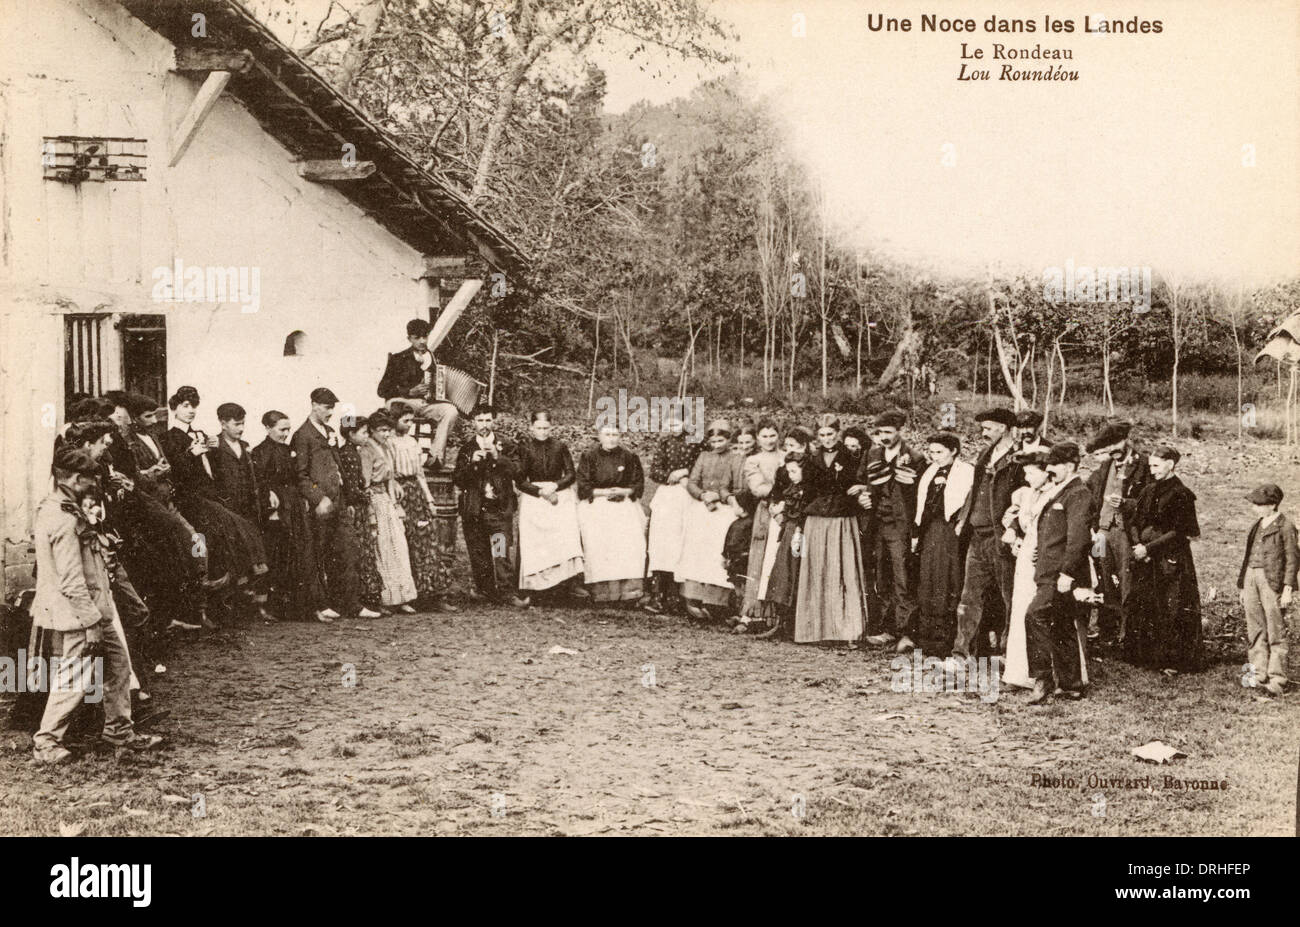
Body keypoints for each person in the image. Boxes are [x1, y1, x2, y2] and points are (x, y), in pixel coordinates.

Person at [29, 446, 162, 764]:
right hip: (80, 614)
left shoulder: (63, 507)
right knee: (74, 676)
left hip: (96, 608)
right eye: (90, 479)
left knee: (118, 667)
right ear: (75, 479)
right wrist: (91, 624)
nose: (95, 486)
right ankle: (46, 742)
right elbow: (72, 581)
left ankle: (119, 731)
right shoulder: (62, 518)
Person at [1024, 442, 1095, 704]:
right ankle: (1071, 685)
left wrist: (1066, 573)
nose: (1049, 471)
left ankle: (1043, 680)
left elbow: (1078, 538)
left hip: (1060, 575)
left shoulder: (1078, 494)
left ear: (1069, 466)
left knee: (1035, 615)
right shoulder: (1062, 491)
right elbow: (1055, 532)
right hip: (1050, 569)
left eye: (1054, 467)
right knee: (1061, 624)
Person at [1124, 446, 1203, 674]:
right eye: (1150, 466)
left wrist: (1148, 549)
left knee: (1172, 606)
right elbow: (1134, 521)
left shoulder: (1182, 494)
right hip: (1144, 558)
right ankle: (1145, 655)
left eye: (1157, 466)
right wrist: (1138, 545)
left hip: (1170, 560)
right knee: (1144, 602)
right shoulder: (1148, 490)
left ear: (1171, 464)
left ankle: (1173, 660)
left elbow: (1179, 532)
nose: (1153, 470)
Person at [951, 407, 1021, 660]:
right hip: (977, 537)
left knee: (1009, 598)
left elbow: (1023, 499)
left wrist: (1011, 530)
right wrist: (963, 518)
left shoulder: (1020, 458)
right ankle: (962, 652)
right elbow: (974, 489)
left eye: (988, 428)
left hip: (1000, 538)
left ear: (1003, 429)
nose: (983, 433)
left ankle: (1009, 654)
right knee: (969, 598)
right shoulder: (985, 454)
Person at [291, 387, 362, 623]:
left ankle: (350, 603)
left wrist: (348, 499)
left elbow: (338, 467)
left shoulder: (330, 431)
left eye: (332, 407)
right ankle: (322, 603)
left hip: (339, 501)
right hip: (321, 505)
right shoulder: (303, 435)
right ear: (313, 405)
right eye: (326, 406)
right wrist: (318, 498)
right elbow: (300, 475)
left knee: (348, 550)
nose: (330, 411)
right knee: (318, 554)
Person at [796, 414, 868, 645]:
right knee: (818, 571)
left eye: (830, 434)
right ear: (817, 436)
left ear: (838, 433)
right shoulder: (811, 459)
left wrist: (859, 489)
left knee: (842, 569)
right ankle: (815, 630)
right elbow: (806, 491)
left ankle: (846, 629)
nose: (827, 439)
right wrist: (800, 524)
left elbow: (859, 482)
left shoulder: (851, 456)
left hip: (841, 518)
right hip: (817, 519)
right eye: (822, 435)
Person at [453, 404, 528, 607]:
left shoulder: (507, 444)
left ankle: (506, 592)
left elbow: (519, 472)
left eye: (487, 420)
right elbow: (458, 479)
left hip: (499, 507)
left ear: (494, 421)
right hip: (475, 508)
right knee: (479, 551)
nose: (484, 425)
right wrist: (473, 464)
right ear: (473, 422)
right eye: (480, 420)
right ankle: (485, 591)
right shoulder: (467, 448)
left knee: (500, 549)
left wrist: (498, 457)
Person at [1084, 421, 1151, 644]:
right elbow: (1090, 493)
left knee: (1126, 579)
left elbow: (1149, 501)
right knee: (1102, 577)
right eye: (1107, 446)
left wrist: (1127, 503)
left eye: (1115, 444)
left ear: (1126, 440)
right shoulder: (1105, 467)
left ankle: (1128, 633)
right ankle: (1107, 629)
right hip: (1102, 532)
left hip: (1124, 531)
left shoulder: (1143, 464)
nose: (1112, 450)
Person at [208, 402, 275, 622]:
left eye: (243, 423)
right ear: (223, 423)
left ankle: (259, 606)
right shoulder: (214, 447)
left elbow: (256, 477)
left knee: (257, 557)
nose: (241, 428)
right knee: (234, 558)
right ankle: (235, 608)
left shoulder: (246, 446)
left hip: (248, 509)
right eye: (236, 424)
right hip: (227, 509)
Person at [252, 411, 321, 622]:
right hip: (276, 509)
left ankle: (293, 606)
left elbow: (297, 476)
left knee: (296, 553)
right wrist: (269, 497)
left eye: (288, 429)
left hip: (294, 506)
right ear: (267, 428)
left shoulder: (288, 450)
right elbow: (259, 480)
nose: (286, 433)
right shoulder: (260, 451)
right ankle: (270, 605)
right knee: (277, 554)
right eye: (282, 429)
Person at [388, 402, 456, 613]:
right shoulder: (388, 442)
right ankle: (410, 595)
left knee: (426, 543)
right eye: (404, 421)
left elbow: (419, 474)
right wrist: (395, 501)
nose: (408, 425)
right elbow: (389, 475)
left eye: (410, 421)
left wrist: (429, 500)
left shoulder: (412, 442)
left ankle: (433, 594)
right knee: (404, 544)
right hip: (400, 494)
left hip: (416, 493)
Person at [861, 410, 920, 651]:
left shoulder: (914, 457)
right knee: (882, 577)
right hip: (877, 524)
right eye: (879, 432)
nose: (883, 437)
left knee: (903, 577)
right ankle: (887, 628)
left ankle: (906, 632)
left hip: (901, 526)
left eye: (888, 432)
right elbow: (862, 483)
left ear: (900, 432)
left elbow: (917, 495)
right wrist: (863, 497)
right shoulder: (873, 453)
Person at [911, 433, 973, 656]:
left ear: (954, 451)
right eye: (932, 452)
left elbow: (963, 502)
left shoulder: (965, 472)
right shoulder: (930, 471)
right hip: (931, 531)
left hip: (949, 531)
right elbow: (923, 504)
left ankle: (946, 641)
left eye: (939, 452)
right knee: (928, 582)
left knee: (947, 581)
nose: (934, 456)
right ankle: (928, 640)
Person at [677, 420, 745, 619]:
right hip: (702, 507)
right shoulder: (704, 456)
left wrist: (719, 496)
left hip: (723, 509)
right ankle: (692, 597)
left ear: (728, 439)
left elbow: (736, 486)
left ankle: (716, 600)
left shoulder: (735, 458)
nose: (717, 445)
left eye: (721, 440)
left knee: (716, 552)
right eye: (713, 441)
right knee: (697, 551)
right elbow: (692, 482)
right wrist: (701, 495)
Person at [513, 411, 586, 596]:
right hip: (535, 495)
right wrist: (539, 492)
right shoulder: (525, 448)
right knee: (533, 537)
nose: (543, 432)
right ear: (531, 428)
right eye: (538, 428)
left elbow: (570, 474)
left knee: (567, 533)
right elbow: (519, 479)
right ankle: (533, 585)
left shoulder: (560, 446)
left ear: (551, 427)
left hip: (558, 492)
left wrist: (555, 485)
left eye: (546, 428)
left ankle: (567, 583)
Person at [575, 423, 647, 603]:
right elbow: (583, 486)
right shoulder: (589, 456)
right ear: (599, 436)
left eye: (615, 434)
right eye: (607, 434)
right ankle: (602, 591)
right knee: (599, 543)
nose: (612, 438)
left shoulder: (629, 456)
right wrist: (604, 492)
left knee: (630, 540)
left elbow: (637, 483)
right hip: (597, 503)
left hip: (623, 503)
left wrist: (624, 492)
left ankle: (630, 590)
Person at [1236, 483, 1297, 696]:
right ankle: (1258, 673)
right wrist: (1243, 584)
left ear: (1272, 505)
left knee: (1275, 629)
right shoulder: (1256, 525)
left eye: (1259, 504)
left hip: (1272, 581)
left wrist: (1288, 588)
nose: (1255, 508)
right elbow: (1247, 556)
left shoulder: (1286, 526)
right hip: (1251, 577)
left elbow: (1292, 559)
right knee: (1255, 627)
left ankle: (1277, 679)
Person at [1000, 449, 1052, 688]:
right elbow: (1017, 519)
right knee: (1020, 609)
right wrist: (1013, 531)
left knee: (1038, 611)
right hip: (1025, 555)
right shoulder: (1026, 493)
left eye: (1031, 472)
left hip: (1044, 555)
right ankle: (1019, 673)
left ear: (1045, 472)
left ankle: (1044, 673)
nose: (1027, 477)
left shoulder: (1054, 494)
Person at [377, 318, 460, 468]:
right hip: (405, 403)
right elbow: (382, 390)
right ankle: (395, 456)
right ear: (409, 338)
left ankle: (435, 457)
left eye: (425, 336)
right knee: (392, 406)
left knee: (451, 411)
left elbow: (440, 383)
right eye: (417, 337)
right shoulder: (398, 359)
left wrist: (440, 392)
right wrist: (409, 391)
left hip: (427, 404)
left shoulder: (433, 358)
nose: (422, 341)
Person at [644, 411, 700, 614]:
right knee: (661, 542)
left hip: (687, 494)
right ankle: (658, 594)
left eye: (679, 421)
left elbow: (701, 466)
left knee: (681, 542)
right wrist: (671, 475)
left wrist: (685, 472)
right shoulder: (664, 442)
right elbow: (654, 471)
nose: (674, 426)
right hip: (667, 495)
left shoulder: (695, 441)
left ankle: (679, 595)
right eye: (670, 422)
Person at [363, 410, 419, 612]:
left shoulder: (386, 447)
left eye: (388, 430)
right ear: (372, 430)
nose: (386, 434)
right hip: (375, 501)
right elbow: (366, 483)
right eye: (382, 430)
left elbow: (391, 475)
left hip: (387, 500)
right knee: (382, 549)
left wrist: (395, 493)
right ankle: (385, 599)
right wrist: (370, 514)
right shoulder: (366, 450)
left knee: (398, 547)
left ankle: (402, 597)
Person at [756, 452, 811, 635]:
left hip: (800, 533)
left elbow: (801, 512)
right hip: (788, 532)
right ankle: (780, 623)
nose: (791, 475)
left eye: (795, 471)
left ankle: (793, 624)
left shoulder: (808, 490)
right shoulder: (792, 488)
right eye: (788, 472)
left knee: (795, 574)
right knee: (782, 574)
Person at [339, 416, 387, 615]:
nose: (367, 436)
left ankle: (368, 597)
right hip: (356, 507)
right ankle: (364, 598)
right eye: (363, 432)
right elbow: (352, 486)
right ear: (351, 434)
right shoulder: (349, 455)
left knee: (365, 549)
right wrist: (364, 495)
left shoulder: (353, 452)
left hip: (358, 504)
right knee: (362, 550)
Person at [738, 421, 785, 625]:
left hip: (787, 510)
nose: (769, 440)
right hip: (766, 511)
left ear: (778, 436)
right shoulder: (753, 460)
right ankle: (754, 612)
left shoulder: (786, 455)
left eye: (772, 435)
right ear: (758, 438)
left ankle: (778, 614)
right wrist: (785, 492)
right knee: (761, 558)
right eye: (764, 436)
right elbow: (758, 488)